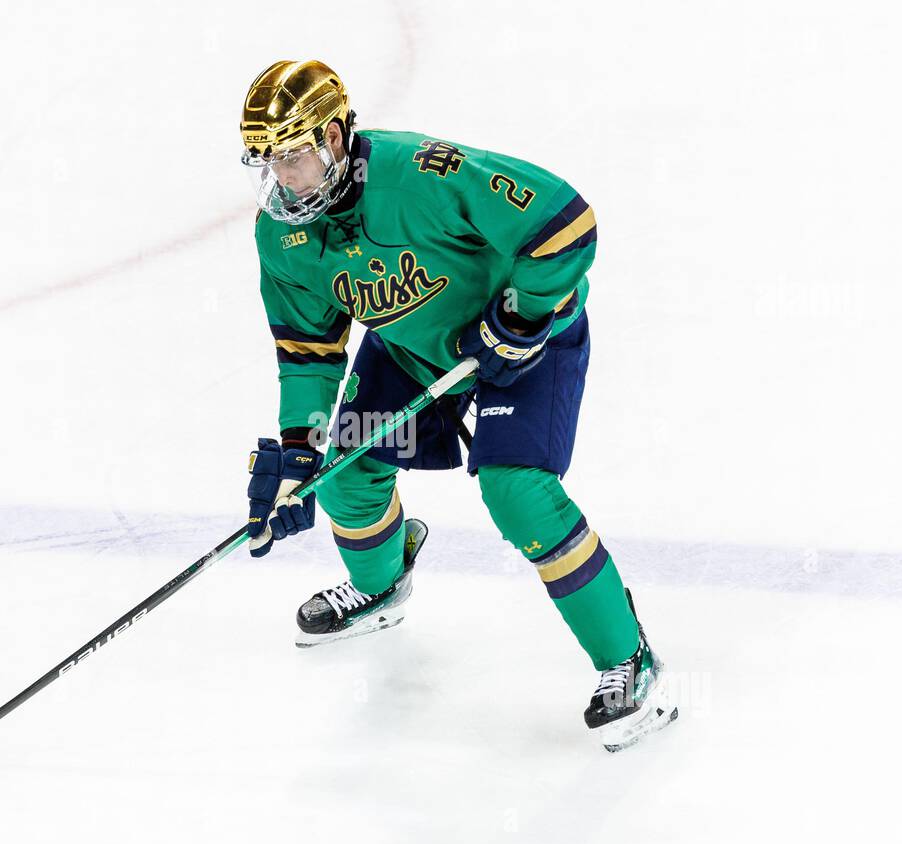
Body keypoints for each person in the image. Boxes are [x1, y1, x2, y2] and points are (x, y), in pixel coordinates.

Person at [239, 60, 676, 751]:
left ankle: (628, 659)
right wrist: (298, 453)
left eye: (291, 156)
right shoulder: (284, 235)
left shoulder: (424, 174)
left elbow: (566, 221)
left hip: (525, 348)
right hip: (414, 351)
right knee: (346, 471)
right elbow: (307, 352)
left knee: (518, 494)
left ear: (332, 136)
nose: (281, 179)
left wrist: (523, 318)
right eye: (268, 162)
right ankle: (381, 586)